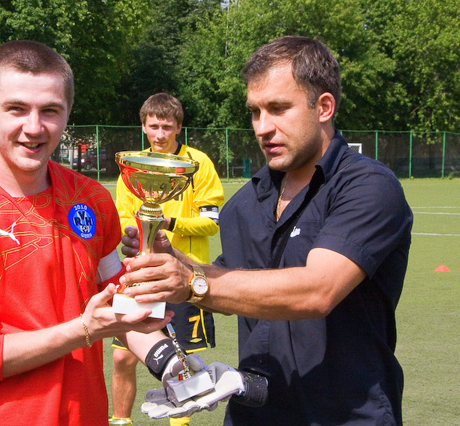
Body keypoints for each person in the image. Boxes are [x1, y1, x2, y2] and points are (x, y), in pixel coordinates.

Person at [0, 40, 242, 425]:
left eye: (50, 110)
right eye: (16, 108)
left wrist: (169, 363)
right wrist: (84, 329)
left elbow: (118, 303)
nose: (33, 127)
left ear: (68, 112)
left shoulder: (90, 199)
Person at [119, 36, 413, 424]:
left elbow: (318, 290)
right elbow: (232, 283)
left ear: (324, 107)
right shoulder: (246, 203)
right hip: (253, 410)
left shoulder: (368, 186)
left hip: (345, 415)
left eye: (278, 109)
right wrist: (169, 261)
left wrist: (192, 281)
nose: (263, 127)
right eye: (255, 112)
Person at [110, 93, 224, 426]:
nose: (160, 134)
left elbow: (211, 222)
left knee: (180, 364)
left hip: (183, 276)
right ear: (144, 127)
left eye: (167, 127)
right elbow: (122, 215)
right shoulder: (133, 164)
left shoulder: (197, 163)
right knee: (121, 358)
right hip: (141, 274)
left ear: (178, 127)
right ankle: (121, 421)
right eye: (154, 126)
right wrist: (137, 233)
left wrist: (168, 223)